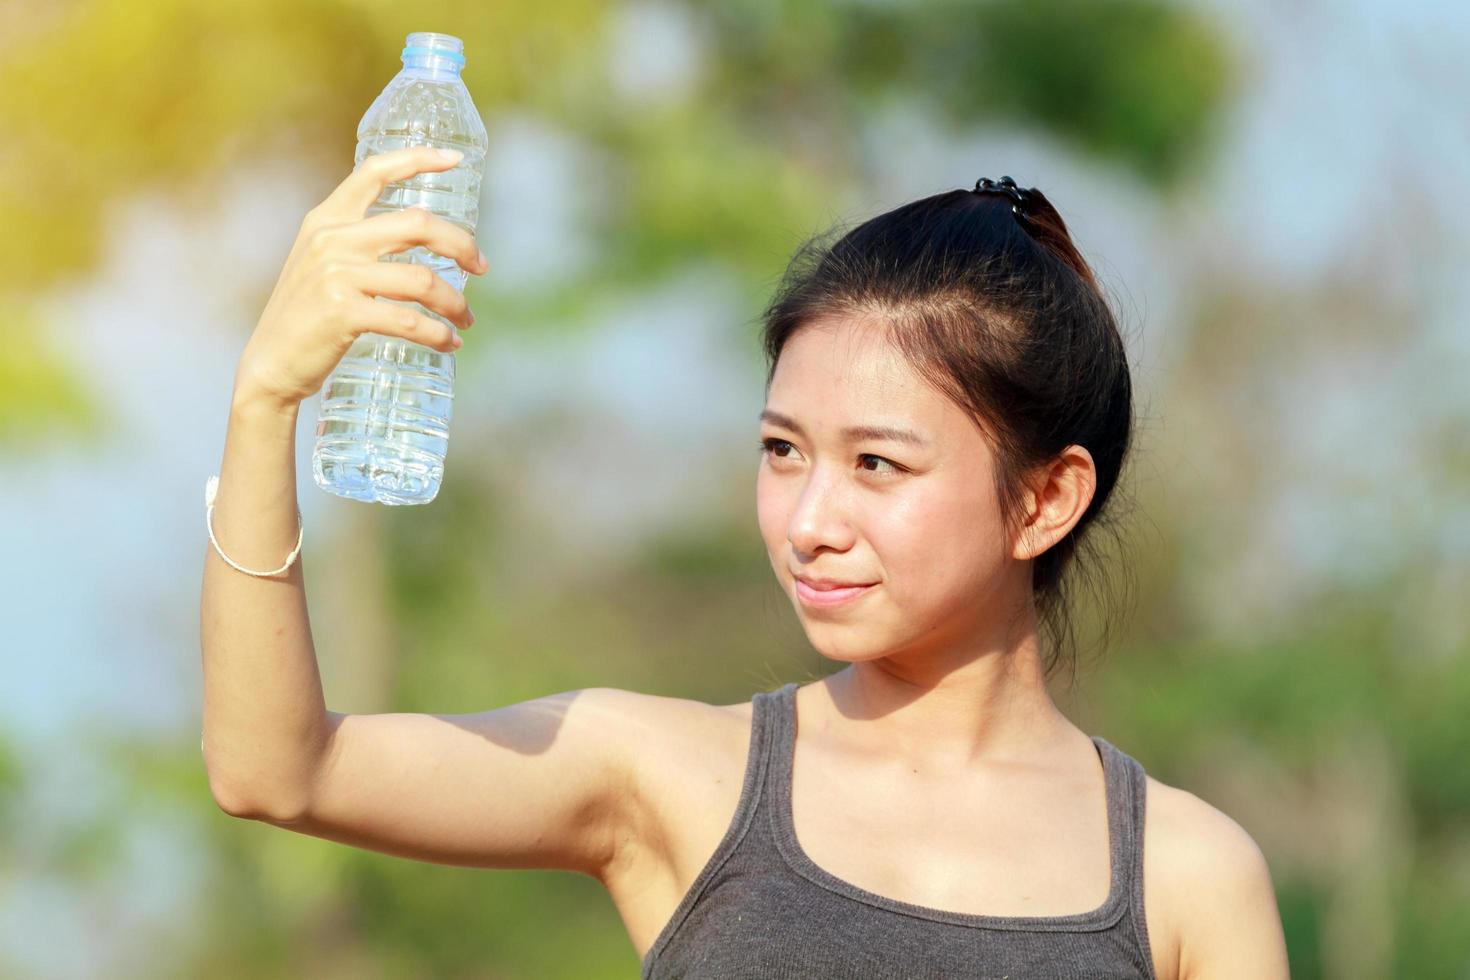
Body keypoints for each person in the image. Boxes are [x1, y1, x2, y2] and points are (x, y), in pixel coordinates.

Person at [200, 146, 1290, 979]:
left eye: (877, 462)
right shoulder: (675, 779)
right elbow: (276, 767)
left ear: (1045, 498)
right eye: (783, 450)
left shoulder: (1187, 876)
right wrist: (264, 403)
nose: (810, 518)